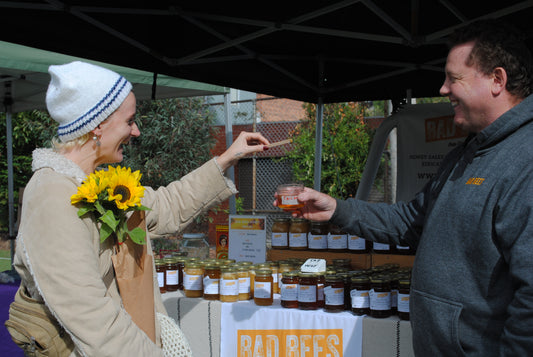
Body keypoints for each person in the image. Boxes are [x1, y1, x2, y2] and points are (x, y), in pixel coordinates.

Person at [275, 19, 533, 356]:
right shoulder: (465, 155)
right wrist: (338, 209)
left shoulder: (524, 160)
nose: (443, 89)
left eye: (453, 78)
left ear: (497, 80)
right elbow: (410, 221)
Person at [12, 61, 269, 356]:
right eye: (129, 120)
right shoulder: (52, 195)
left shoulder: (102, 184)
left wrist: (226, 158)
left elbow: (167, 205)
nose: (136, 131)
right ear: (97, 125)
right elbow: (91, 318)